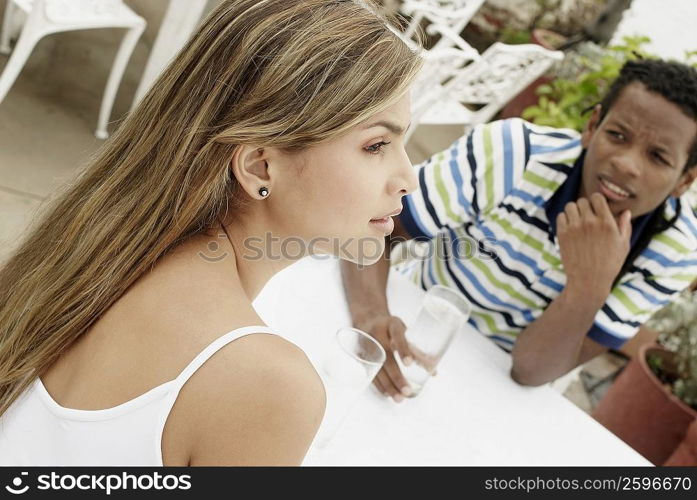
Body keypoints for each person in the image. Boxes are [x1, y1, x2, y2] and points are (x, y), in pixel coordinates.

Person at [0, 0, 421, 465]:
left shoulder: (105, 241)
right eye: (377, 145)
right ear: (260, 165)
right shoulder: (267, 386)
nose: (408, 177)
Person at [341, 58, 697, 400]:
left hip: (500, 384)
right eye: (618, 135)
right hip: (414, 318)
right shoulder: (515, 153)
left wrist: (589, 287)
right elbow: (373, 233)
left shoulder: (675, 254)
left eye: (658, 157)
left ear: (685, 180)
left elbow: (531, 371)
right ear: (592, 127)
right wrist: (372, 316)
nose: (626, 163)